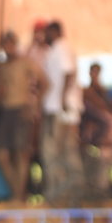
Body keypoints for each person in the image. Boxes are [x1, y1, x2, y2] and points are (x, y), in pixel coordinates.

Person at [0, 31, 48, 202]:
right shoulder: (1, 66)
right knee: (2, 155)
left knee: (20, 153)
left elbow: (45, 82)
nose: (8, 48)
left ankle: (19, 196)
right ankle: (17, 192)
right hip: (6, 110)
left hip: (22, 110)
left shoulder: (26, 63)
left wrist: (35, 106)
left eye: (10, 44)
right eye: (5, 44)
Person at [39, 21, 83, 206]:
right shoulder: (61, 49)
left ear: (54, 31)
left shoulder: (61, 48)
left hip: (59, 110)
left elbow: (68, 72)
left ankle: (57, 194)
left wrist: (63, 99)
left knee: (52, 152)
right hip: (66, 110)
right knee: (67, 152)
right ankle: (73, 193)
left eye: (46, 32)